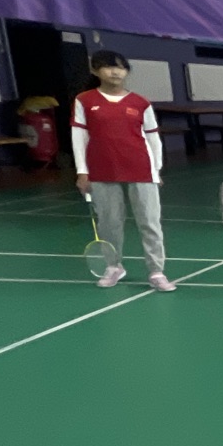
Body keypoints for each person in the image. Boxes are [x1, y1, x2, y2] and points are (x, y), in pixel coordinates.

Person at [72, 51, 175, 291]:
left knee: (150, 222)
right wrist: (82, 171)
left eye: (120, 67)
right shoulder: (84, 100)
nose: (115, 72)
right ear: (95, 71)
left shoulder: (140, 103)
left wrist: (156, 169)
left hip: (141, 169)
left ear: (126, 71)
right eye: (108, 67)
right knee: (109, 223)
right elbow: (79, 137)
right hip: (102, 170)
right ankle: (113, 266)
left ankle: (156, 271)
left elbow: (153, 138)